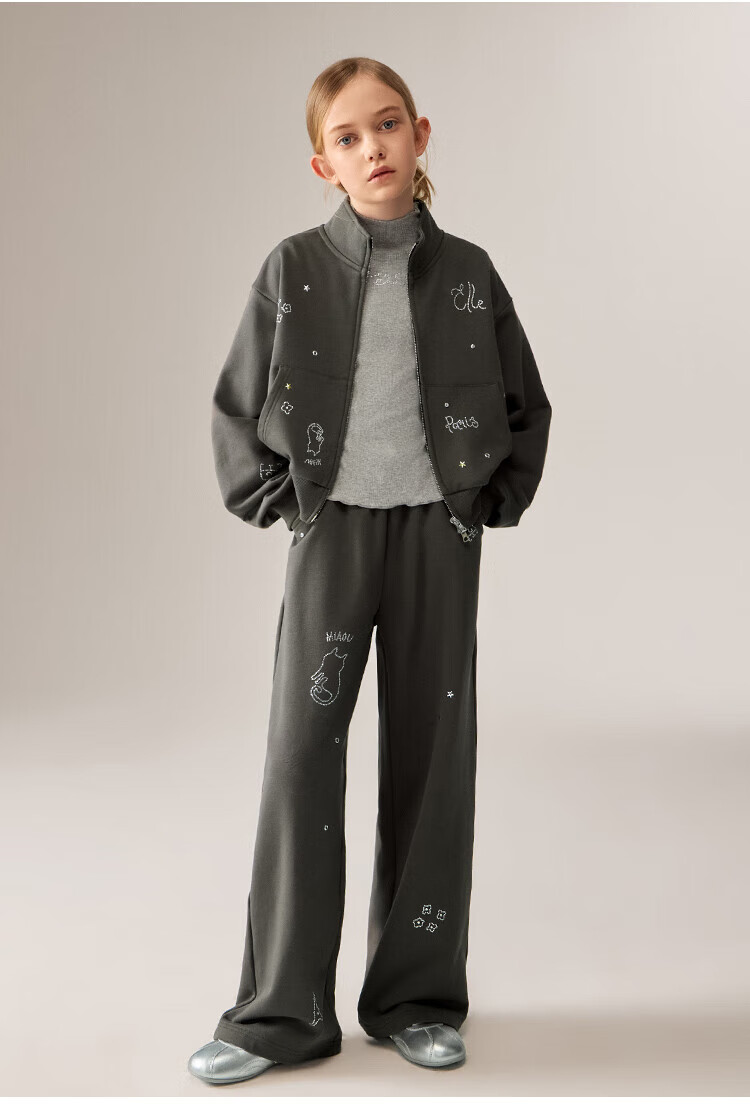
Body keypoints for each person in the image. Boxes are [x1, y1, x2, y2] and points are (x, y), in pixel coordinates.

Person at [188, 56, 552, 1085]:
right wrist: (282, 501)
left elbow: (526, 401)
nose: (372, 148)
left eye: (387, 125)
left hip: (438, 536)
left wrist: (486, 500)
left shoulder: (469, 272)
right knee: (302, 757)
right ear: (324, 164)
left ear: (420, 135)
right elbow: (236, 404)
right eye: (347, 137)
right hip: (334, 535)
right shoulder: (293, 268)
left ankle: (415, 1000)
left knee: (434, 761)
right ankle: (280, 1014)